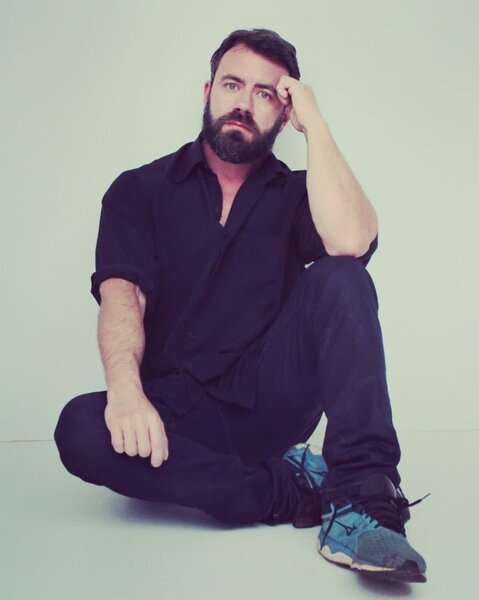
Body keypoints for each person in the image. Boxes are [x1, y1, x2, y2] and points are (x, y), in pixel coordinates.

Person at [54, 28, 428, 583]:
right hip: (176, 414)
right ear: (208, 91)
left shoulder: (300, 194)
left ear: (284, 111)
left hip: (269, 403)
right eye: (232, 85)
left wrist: (317, 125)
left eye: (264, 93)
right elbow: (121, 294)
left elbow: (352, 241)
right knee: (80, 428)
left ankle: (362, 499)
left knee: (341, 276)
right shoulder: (138, 190)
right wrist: (126, 393)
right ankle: (291, 492)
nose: (244, 103)